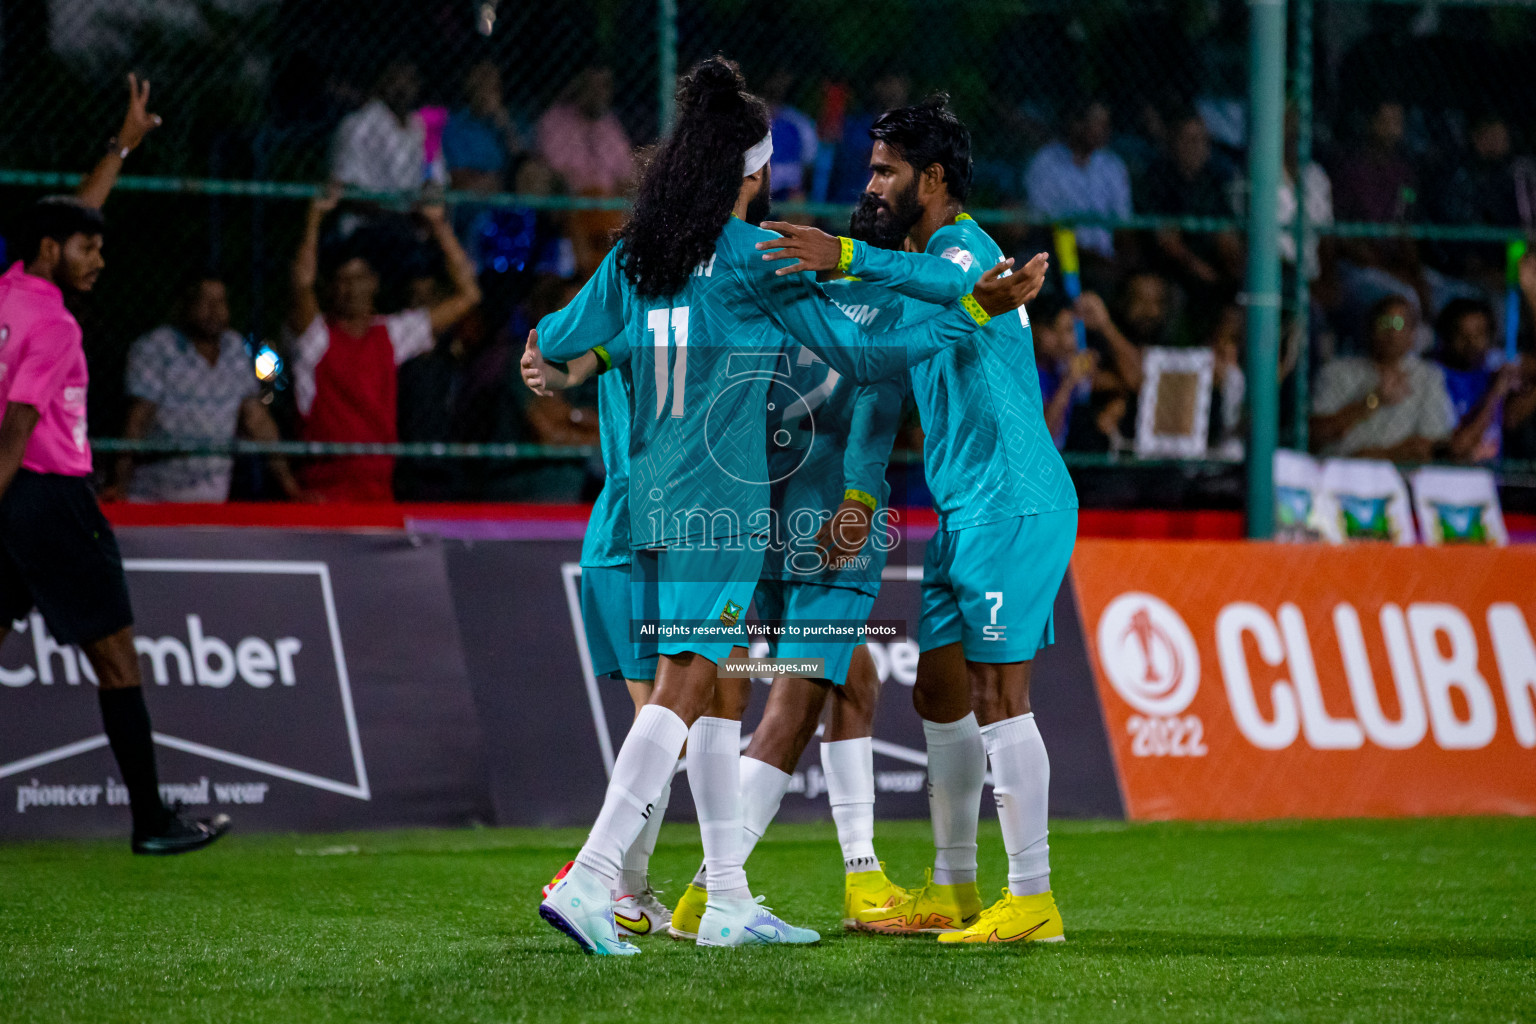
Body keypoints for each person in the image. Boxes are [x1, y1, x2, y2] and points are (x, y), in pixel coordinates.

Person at [528, 58, 1043, 956]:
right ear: (754, 173)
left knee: (716, 687)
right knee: (696, 687)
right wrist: (968, 309)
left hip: (645, 504)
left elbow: (559, 342)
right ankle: (594, 875)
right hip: (725, 504)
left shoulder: (636, 252)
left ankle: (723, 895)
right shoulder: (754, 256)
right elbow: (867, 358)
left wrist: (548, 360)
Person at [758, 95, 1077, 944]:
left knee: (1001, 695)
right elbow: (876, 375)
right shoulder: (915, 265)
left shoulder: (964, 248)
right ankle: (955, 887)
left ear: (932, 178)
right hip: (963, 507)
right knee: (940, 689)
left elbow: (952, 285)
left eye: (885, 170)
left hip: (1013, 498)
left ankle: (1034, 897)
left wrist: (845, 255)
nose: (871, 182)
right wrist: (862, 498)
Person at [0, 76, 228, 854]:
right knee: (118, 660)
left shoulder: (11, 290)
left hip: (13, 505)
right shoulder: (57, 327)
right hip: (50, 501)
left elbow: (66, 219)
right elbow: (15, 428)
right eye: (90, 249)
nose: (101, 256)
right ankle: (152, 821)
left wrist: (121, 145)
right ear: (53, 253)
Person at [287, 193, 481, 501]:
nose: (351, 289)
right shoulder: (317, 337)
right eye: (342, 280)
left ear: (374, 284)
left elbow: (468, 294)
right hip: (322, 491)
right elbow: (301, 283)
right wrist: (315, 216)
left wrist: (439, 226)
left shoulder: (389, 334)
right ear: (332, 288)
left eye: (360, 278)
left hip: (377, 492)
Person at [112, 274, 302, 503]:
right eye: (205, 301)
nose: (214, 310)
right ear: (186, 304)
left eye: (220, 302)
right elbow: (138, 420)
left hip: (213, 498)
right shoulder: (156, 347)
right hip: (154, 496)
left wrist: (291, 488)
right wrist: (118, 486)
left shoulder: (235, 349)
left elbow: (258, 421)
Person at [1311, 294, 1455, 460]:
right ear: (1370, 328)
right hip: (1340, 475)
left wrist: (1374, 457)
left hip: (1402, 478)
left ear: (1413, 333)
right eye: (1385, 322)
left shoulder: (1429, 377)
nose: (1392, 332)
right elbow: (1315, 435)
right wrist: (1373, 401)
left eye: (1400, 324)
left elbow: (1431, 446)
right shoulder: (1337, 371)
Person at [1140, 112, 1242, 298]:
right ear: (1173, 143)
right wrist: (1200, 269)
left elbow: (1226, 236)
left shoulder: (1212, 182)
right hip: (1171, 267)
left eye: (1202, 140)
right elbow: (1167, 241)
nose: (1197, 147)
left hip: (1209, 262)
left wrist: (1234, 266)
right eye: (1190, 140)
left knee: (1239, 290)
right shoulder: (1158, 179)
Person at [1025, 99, 1132, 262]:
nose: (1104, 130)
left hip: (1105, 258)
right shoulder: (1046, 161)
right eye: (1096, 123)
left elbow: (1123, 221)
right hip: (1060, 256)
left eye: (1106, 124)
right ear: (1076, 124)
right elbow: (1044, 220)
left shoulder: (1113, 165)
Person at [1433, 298, 1533, 463]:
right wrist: (1497, 393)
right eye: (1462, 334)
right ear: (1446, 337)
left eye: (1479, 333)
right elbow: (1459, 447)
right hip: (1449, 480)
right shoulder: (1434, 377)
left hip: (1490, 483)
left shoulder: (1492, 366)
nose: (1471, 342)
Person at [331, 60, 446, 194]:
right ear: (381, 81)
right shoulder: (358, 124)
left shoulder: (421, 126)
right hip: (367, 212)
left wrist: (428, 192)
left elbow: (436, 178)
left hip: (411, 210)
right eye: (395, 79)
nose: (403, 86)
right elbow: (344, 186)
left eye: (410, 79)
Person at [1031, 293, 1096, 449]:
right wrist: (1068, 382)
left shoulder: (1059, 368)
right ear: (1037, 330)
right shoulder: (1023, 373)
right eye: (1065, 330)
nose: (1070, 342)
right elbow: (1043, 438)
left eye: (1071, 330)